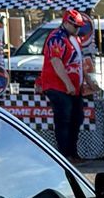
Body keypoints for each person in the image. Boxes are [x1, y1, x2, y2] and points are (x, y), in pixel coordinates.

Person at [35, 9, 88, 161]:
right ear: (66, 23)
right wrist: (68, 84)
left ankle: (73, 152)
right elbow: (56, 62)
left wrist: (87, 81)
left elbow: (78, 62)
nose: (78, 29)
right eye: (75, 26)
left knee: (77, 118)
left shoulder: (75, 39)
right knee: (64, 119)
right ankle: (64, 155)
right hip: (57, 87)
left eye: (79, 26)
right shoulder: (56, 38)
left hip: (74, 88)